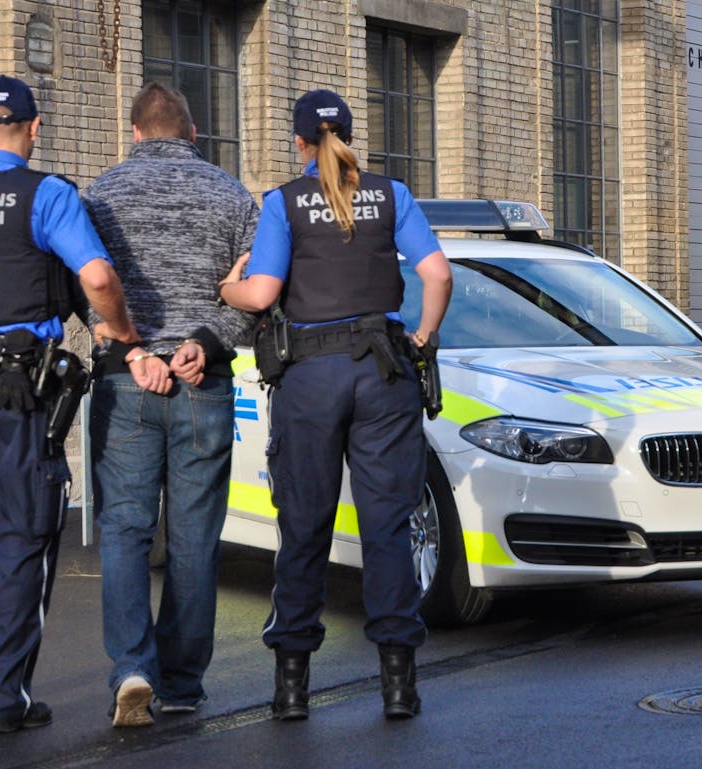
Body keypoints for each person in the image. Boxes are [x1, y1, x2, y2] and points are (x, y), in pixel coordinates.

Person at [0, 74, 144, 734]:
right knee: (23, 540)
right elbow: (96, 276)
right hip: (21, 391)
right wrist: (121, 330)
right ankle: (1, 698)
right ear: (35, 130)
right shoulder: (47, 195)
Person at [219, 88, 452, 720]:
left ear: (298, 142)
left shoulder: (284, 203)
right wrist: (423, 338)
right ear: (351, 135)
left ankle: (291, 690)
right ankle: (399, 687)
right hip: (384, 371)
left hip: (311, 379)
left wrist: (228, 286)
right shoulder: (391, 194)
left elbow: (263, 291)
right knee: (385, 529)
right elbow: (438, 276)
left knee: (304, 528)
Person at [82, 81, 260, 728]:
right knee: (193, 539)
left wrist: (133, 352)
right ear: (192, 134)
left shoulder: (98, 195)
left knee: (125, 532)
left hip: (126, 383)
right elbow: (259, 289)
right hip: (201, 384)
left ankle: (132, 666)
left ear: (135, 133)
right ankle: (182, 681)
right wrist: (205, 342)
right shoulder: (233, 195)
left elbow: (85, 285)